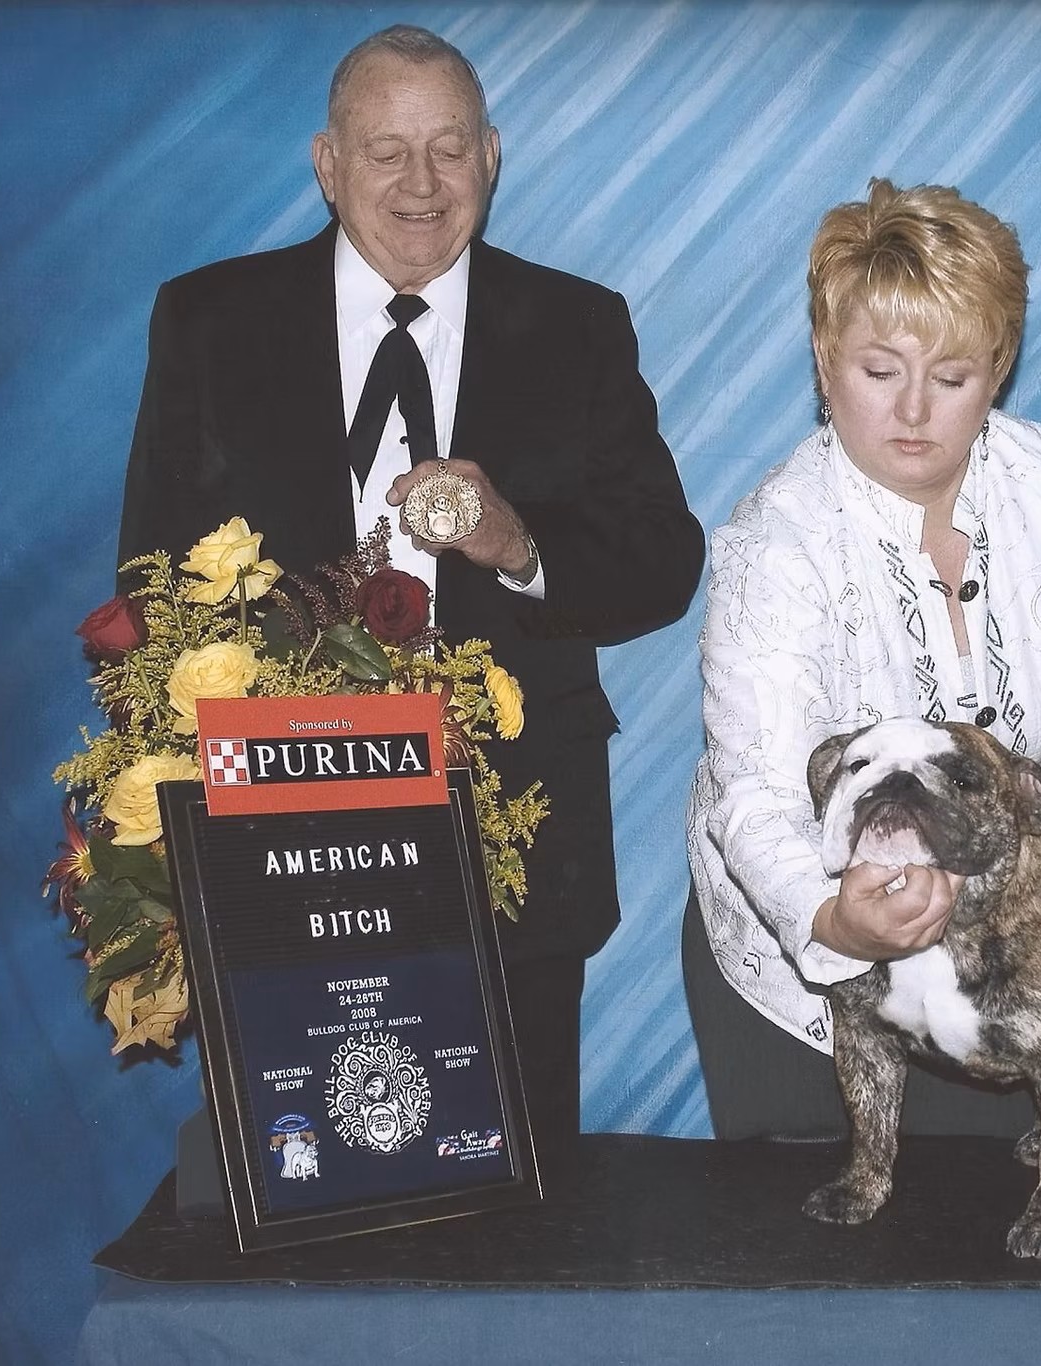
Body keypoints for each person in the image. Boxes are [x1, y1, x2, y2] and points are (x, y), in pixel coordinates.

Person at [117, 25, 705, 1155]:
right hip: (279, 840)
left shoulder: (580, 324)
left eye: (447, 150)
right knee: (310, 1196)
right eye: (385, 153)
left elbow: (662, 562)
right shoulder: (207, 321)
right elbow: (148, 584)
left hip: (523, 855)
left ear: (492, 155)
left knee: (523, 1216)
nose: (420, 186)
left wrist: (519, 543)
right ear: (326, 164)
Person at [685, 179, 1041, 1140]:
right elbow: (755, 797)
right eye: (880, 372)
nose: (913, 410)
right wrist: (833, 925)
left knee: (996, 1262)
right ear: (824, 360)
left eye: (952, 376)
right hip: (797, 968)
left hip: (1012, 953)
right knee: (812, 1263)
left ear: (999, 370)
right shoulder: (772, 545)